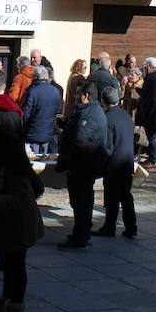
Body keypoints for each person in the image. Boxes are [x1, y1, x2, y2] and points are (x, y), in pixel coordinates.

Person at [0, 121, 44, 312]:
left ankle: (15, 310)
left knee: (16, 266)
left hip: (19, 222)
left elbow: (21, 197)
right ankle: (4, 305)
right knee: (8, 264)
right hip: (6, 221)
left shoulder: (13, 166)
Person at [56, 81, 109, 250]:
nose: (75, 96)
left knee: (81, 201)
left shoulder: (90, 113)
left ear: (86, 96)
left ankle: (81, 236)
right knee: (81, 201)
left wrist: (65, 161)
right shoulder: (90, 111)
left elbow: (81, 139)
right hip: (84, 164)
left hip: (83, 165)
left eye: (78, 94)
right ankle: (81, 232)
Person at [94, 84, 137, 238]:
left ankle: (109, 226)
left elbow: (107, 146)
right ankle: (131, 227)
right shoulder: (125, 116)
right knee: (126, 196)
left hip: (114, 164)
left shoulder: (107, 119)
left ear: (103, 101)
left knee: (112, 198)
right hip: (127, 161)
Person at [21, 64, 61, 157]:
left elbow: (26, 114)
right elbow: (58, 110)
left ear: (35, 77)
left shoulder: (32, 91)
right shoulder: (55, 91)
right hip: (49, 133)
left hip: (32, 134)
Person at [137, 58, 156, 167]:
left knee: (153, 138)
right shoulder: (153, 78)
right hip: (153, 113)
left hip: (155, 114)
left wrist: (147, 111)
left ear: (150, 66)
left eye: (145, 66)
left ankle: (152, 160)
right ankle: (151, 158)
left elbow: (154, 99)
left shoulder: (155, 79)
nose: (144, 68)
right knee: (151, 137)